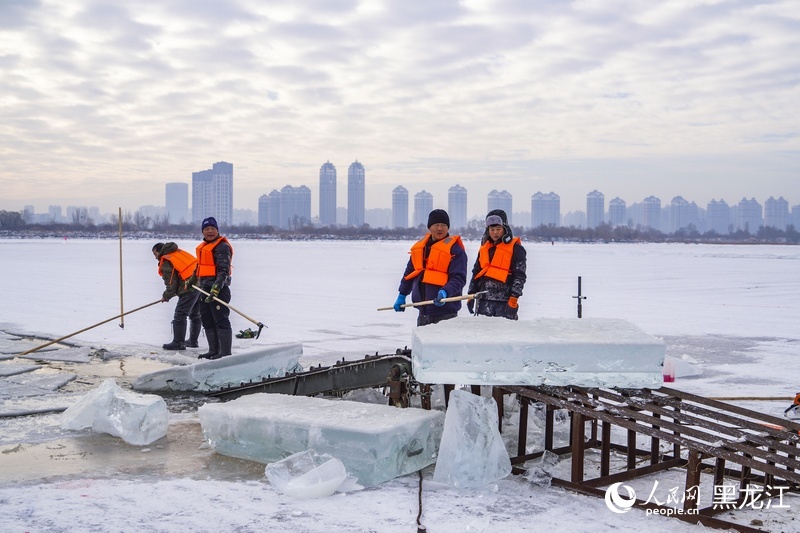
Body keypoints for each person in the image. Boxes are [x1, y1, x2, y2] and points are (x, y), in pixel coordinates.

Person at [394, 209, 467, 326]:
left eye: (443, 225)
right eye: (436, 225)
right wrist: (402, 294)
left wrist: (445, 292)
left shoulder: (455, 250)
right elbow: (410, 273)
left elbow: (459, 278)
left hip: (446, 312)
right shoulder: (420, 249)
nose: (440, 228)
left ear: (448, 228)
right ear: (429, 227)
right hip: (423, 311)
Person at [467, 209, 527, 320]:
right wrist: (471, 294)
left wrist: (514, 298)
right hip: (483, 302)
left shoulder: (516, 249)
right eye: (492, 229)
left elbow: (520, 276)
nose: (495, 232)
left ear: (505, 229)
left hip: (505, 303)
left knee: (505, 331)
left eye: (498, 229)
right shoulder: (484, 249)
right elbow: (476, 273)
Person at [196, 217, 234, 359]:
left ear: (217, 230)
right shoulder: (203, 247)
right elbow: (199, 267)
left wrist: (216, 287)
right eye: (207, 229)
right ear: (203, 231)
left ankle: (225, 352)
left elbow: (223, 271)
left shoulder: (222, 247)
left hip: (219, 290)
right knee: (207, 319)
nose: (210, 231)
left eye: (213, 228)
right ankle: (213, 350)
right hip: (204, 289)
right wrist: (193, 279)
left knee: (221, 320)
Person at [152, 242, 202, 350]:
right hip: (200, 284)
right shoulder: (178, 253)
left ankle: (178, 343)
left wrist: (166, 296)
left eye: (155, 254)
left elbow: (172, 283)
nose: (155, 257)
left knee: (180, 314)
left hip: (188, 287)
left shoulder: (167, 260)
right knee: (195, 314)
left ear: (160, 251)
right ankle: (193, 341)